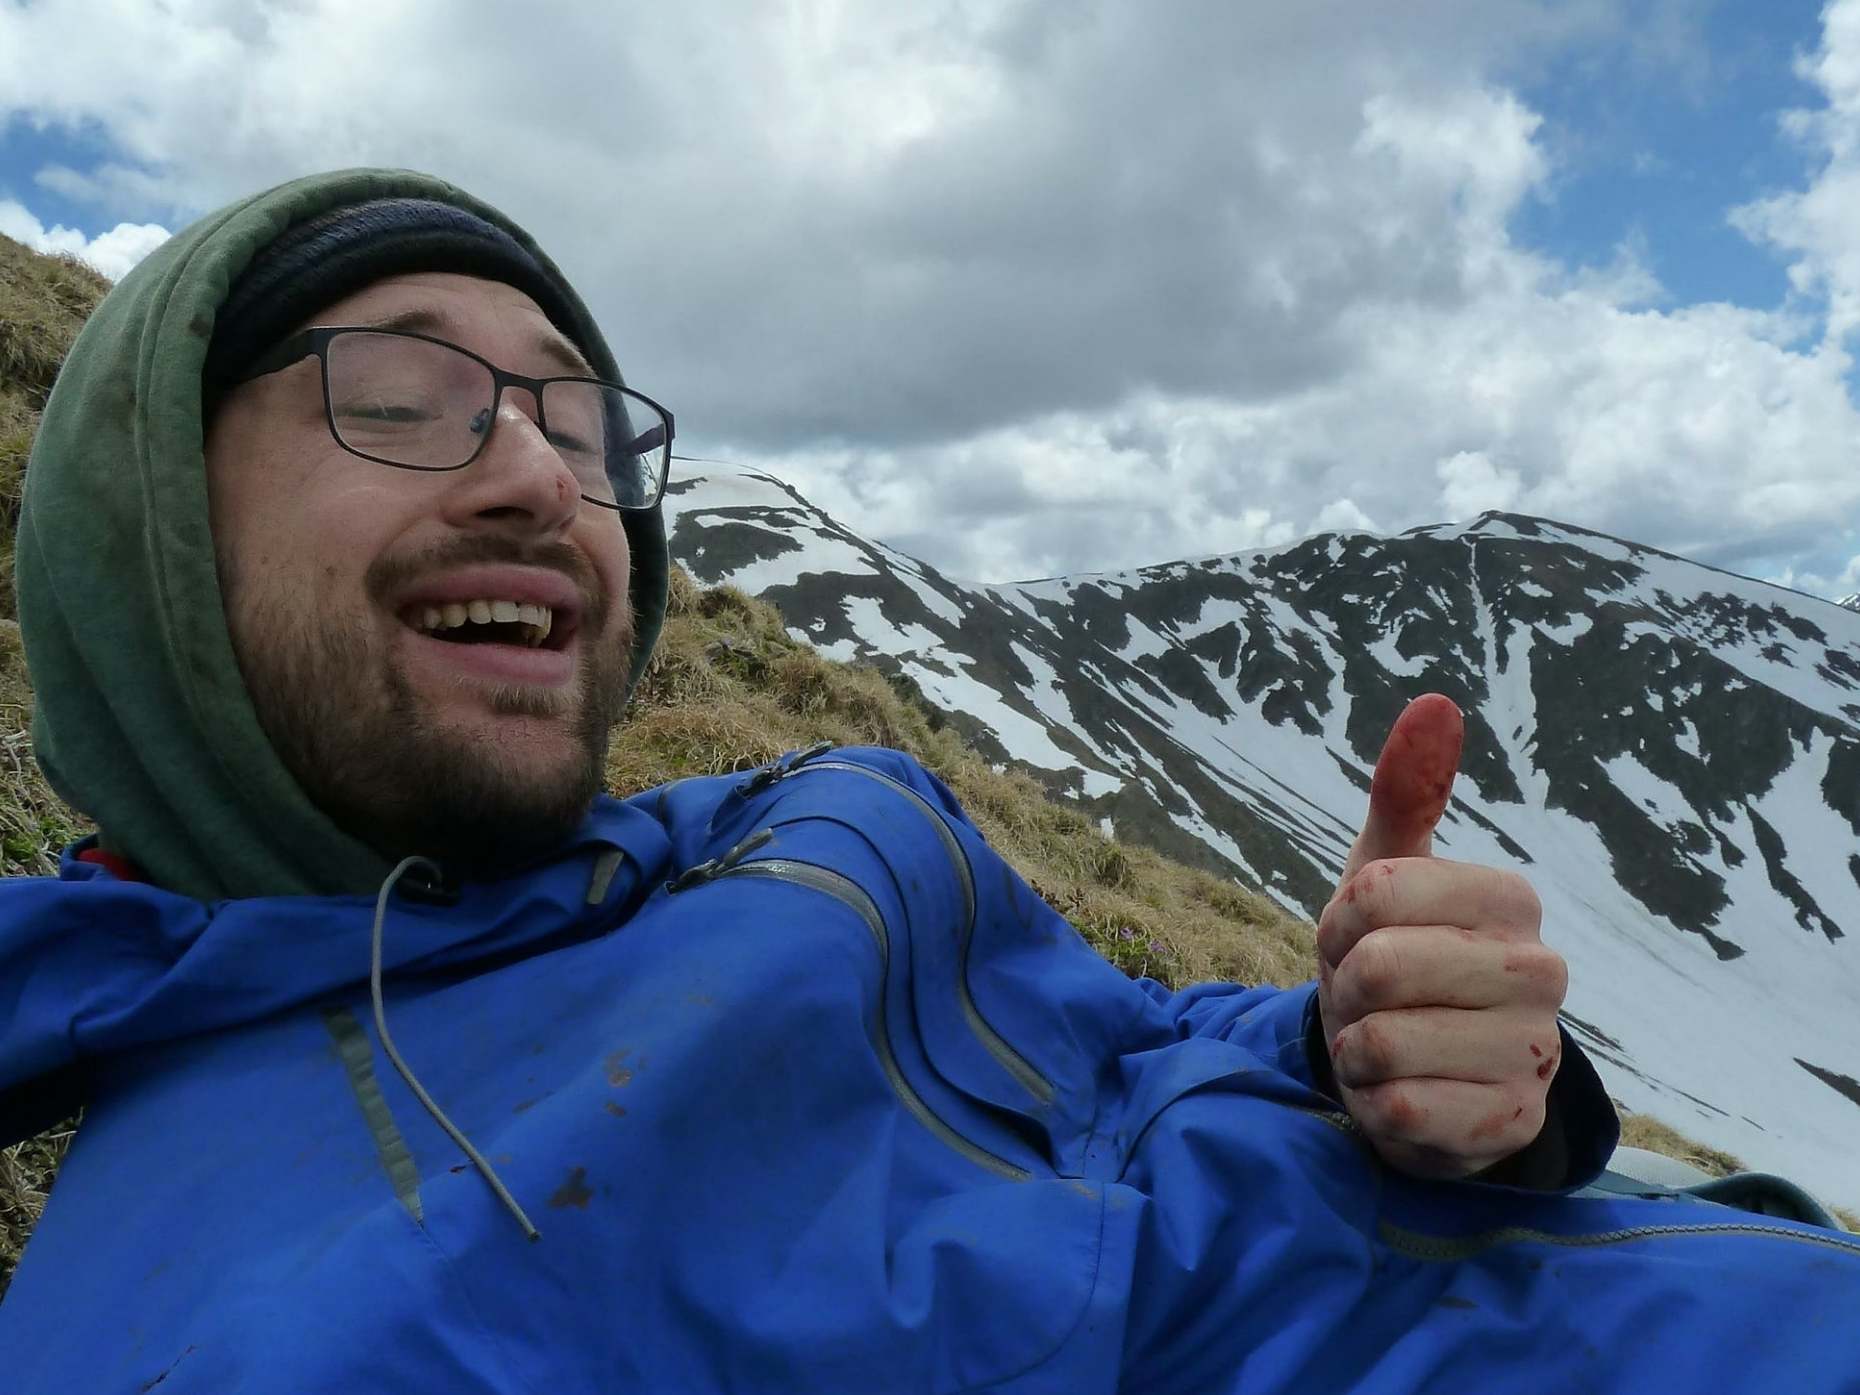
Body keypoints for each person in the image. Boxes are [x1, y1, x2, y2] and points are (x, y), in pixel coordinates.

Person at [0, 169, 1852, 1394]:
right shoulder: (227, 1323)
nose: (540, 476)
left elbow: (1117, 1044)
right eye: (397, 394)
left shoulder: (709, 843)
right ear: (151, 531)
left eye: (577, 416)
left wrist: (1402, 1059)